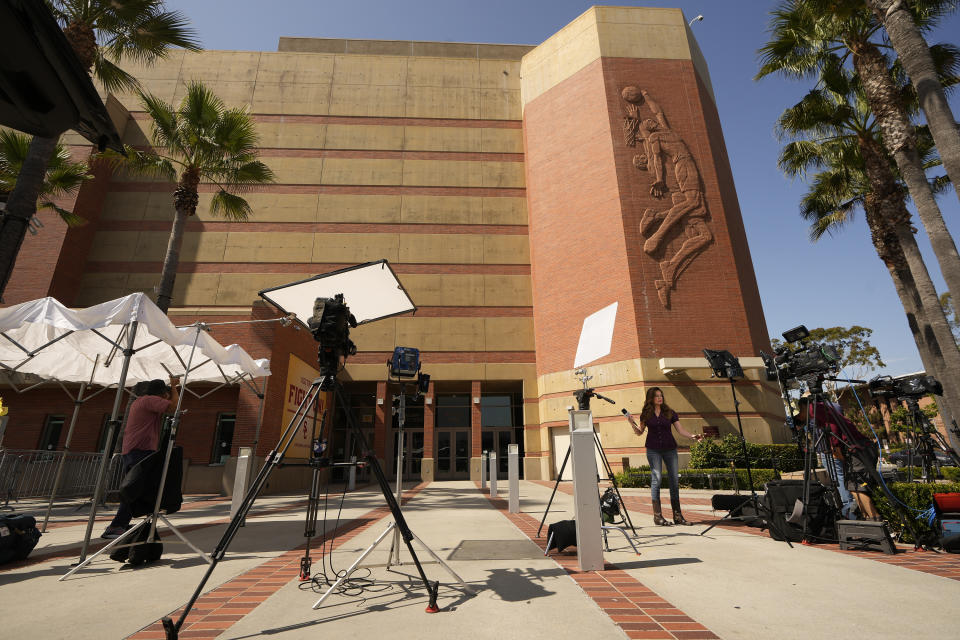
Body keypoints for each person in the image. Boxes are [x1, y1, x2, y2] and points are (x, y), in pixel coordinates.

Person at [101, 377, 179, 539]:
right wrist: (174, 386)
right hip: (140, 451)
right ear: (162, 393)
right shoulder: (150, 400)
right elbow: (174, 407)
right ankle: (116, 525)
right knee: (134, 489)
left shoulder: (141, 401)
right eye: (166, 394)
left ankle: (121, 523)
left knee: (136, 489)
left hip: (134, 450)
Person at [624, 387, 703, 526]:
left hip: (670, 449)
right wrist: (631, 422)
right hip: (653, 450)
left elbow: (680, 430)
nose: (660, 398)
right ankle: (658, 516)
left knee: (674, 481)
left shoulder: (670, 413)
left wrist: (693, 436)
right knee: (657, 479)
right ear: (651, 398)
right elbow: (639, 432)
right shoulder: (646, 414)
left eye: (661, 395)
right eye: (656, 396)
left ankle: (678, 516)